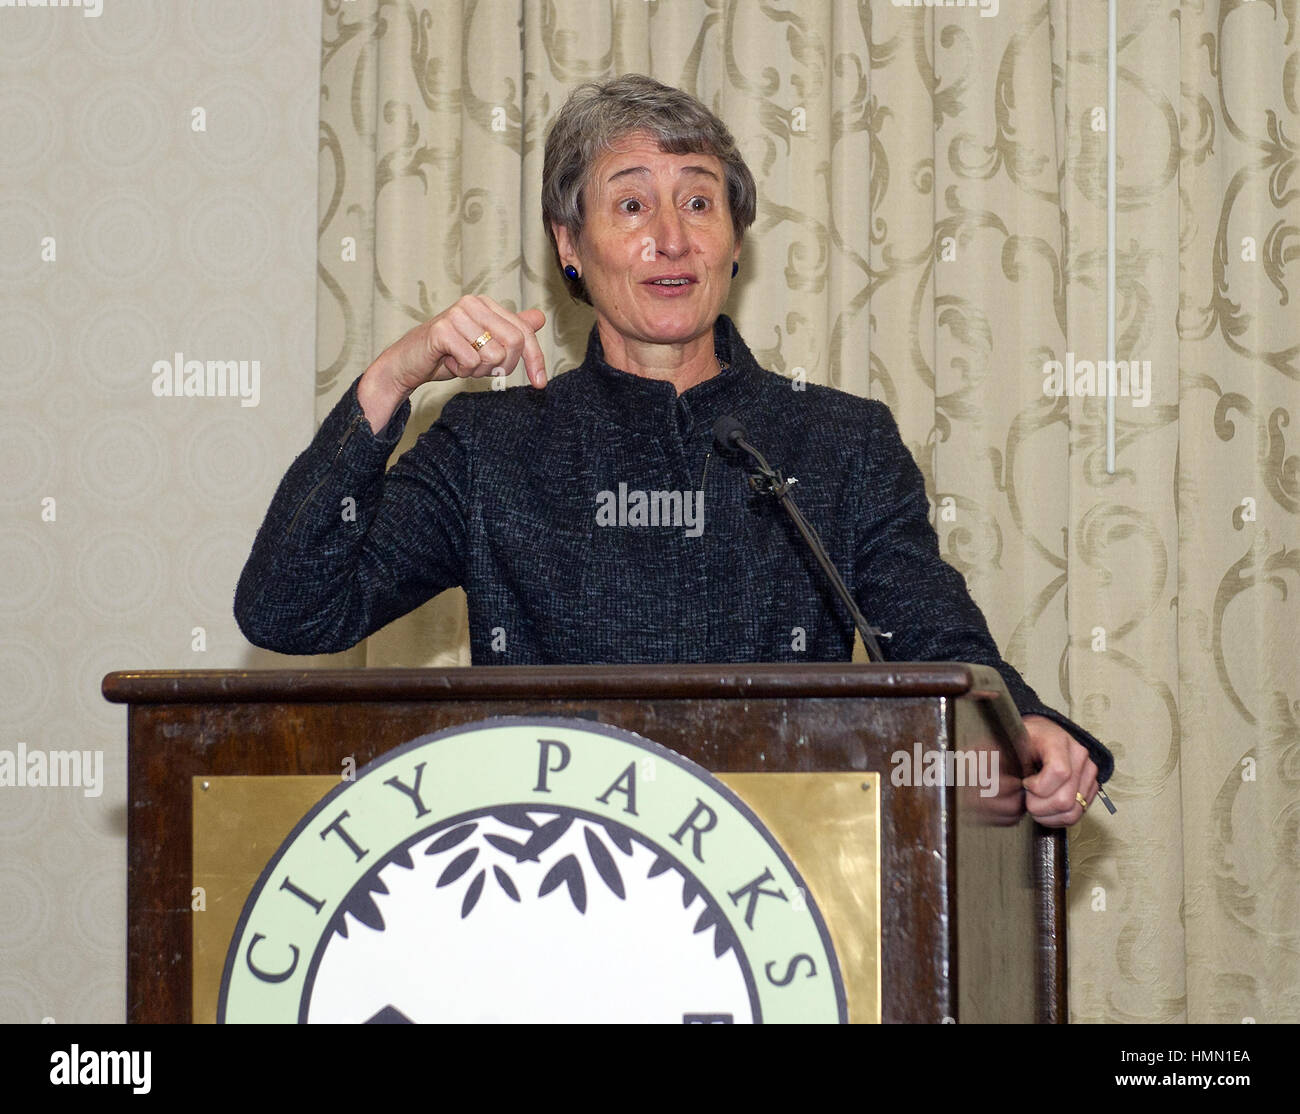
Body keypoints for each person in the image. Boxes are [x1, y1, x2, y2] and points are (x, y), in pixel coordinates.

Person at [235, 73, 1112, 827]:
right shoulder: (490, 446)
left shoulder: (840, 441)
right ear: (569, 246)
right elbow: (291, 610)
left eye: (699, 200)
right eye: (631, 203)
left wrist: (1025, 727)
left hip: (791, 885)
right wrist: (392, 380)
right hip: (550, 888)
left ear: (734, 241)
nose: (673, 236)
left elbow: (936, 638)